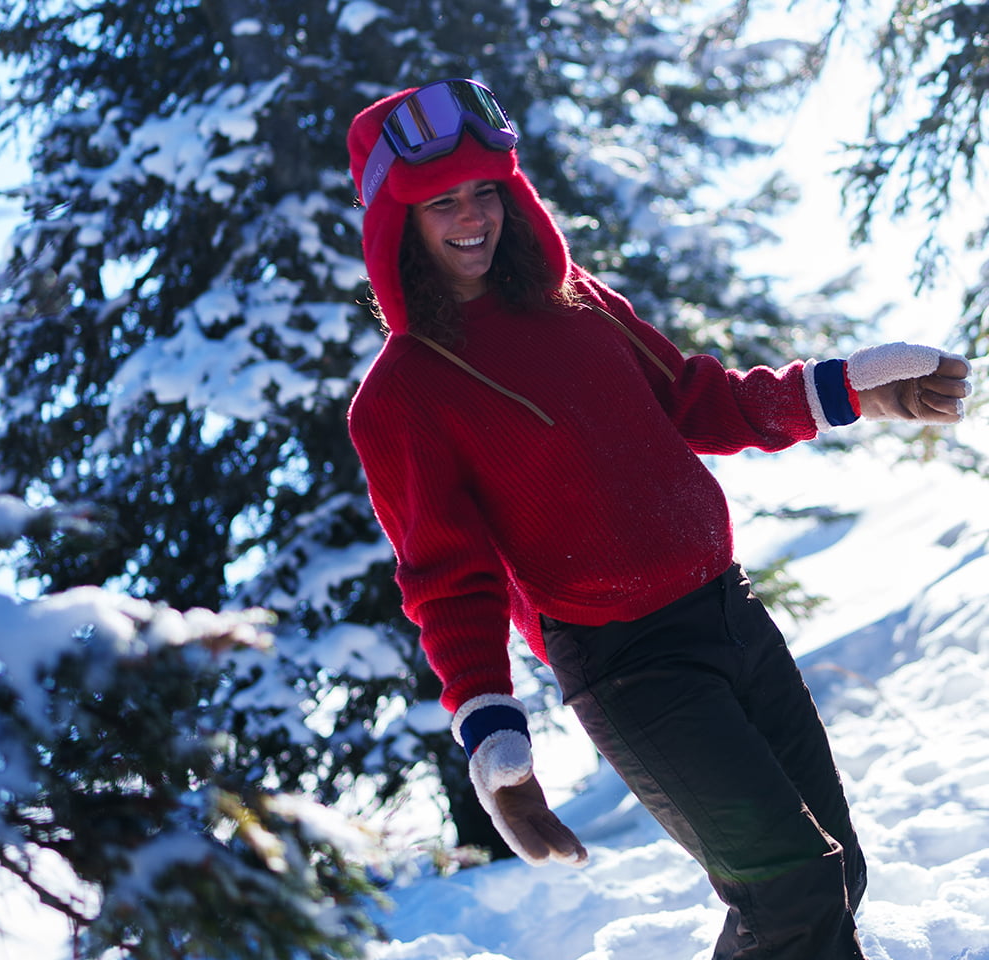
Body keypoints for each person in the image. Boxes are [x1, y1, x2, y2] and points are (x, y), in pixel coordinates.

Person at [345, 79, 971, 960]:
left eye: (485, 189)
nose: (471, 217)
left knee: (833, 876)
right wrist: (494, 740)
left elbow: (697, 401)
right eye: (440, 201)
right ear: (395, 224)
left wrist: (850, 390)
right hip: (629, 666)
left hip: (730, 612)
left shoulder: (579, 301)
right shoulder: (403, 394)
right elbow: (448, 581)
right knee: (791, 887)